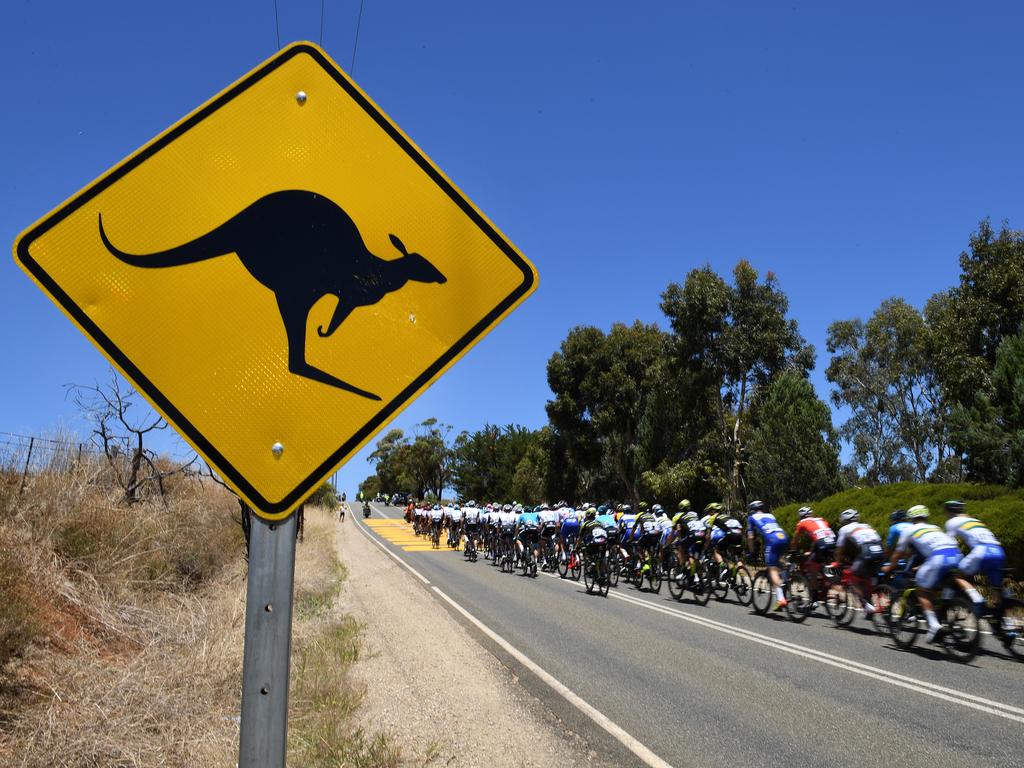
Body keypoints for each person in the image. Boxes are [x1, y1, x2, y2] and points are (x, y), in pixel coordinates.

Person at [883, 505, 962, 643]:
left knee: (921, 590)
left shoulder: (909, 530)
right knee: (936, 588)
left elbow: (898, 553)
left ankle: (933, 625)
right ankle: (942, 610)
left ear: (911, 518)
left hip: (938, 558)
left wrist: (890, 566)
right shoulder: (935, 527)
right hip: (956, 556)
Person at [943, 499, 1005, 621]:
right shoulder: (976, 521)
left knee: (958, 576)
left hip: (981, 551)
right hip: (998, 550)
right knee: (995, 589)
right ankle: (1001, 622)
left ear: (949, 511)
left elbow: (949, 544)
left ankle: (977, 599)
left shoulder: (952, 522)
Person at [833, 509, 885, 620]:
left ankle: (866, 604)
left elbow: (840, 548)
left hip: (866, 551)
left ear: (844, 520)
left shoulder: (844, 529)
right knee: (869, 578)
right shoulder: (866, 525)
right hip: (879, 551)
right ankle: (877, 596)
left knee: (852, 577)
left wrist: (837, 563)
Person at [746, 500, 790, 609]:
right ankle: (786, 579)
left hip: (772, 540)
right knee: (778, 565)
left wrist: (752, 551)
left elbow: (751, 537)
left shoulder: (751, 518)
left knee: (772, 569)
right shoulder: (770, 515)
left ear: (751, 510)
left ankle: (780, 598)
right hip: (783, 537)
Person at [790, 506, 836, 597]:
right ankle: (830, 580)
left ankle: (814, 599)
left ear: (801, 516)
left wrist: (792, 550)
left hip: (821, 544)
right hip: (833, 542)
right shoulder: (821, 520)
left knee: (812, 569)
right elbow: (818, 538)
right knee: (824, 563)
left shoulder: (802, 522)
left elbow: (795, 540)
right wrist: (811, 551)